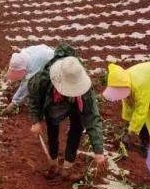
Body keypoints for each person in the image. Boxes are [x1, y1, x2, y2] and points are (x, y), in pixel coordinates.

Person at [28, 44, 107, 180]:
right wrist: (36, 120)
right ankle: (53, 163)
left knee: (77, 127)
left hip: (76, 102)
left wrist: (98, 151)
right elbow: (34, 97)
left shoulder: (81, 83)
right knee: (52, 126)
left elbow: (91, 117)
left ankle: (67, 168)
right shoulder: (44, 78)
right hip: (54, 101)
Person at [102, 61, 150, 157]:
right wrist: (127, 126)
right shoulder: (123, 82)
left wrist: (130, 133)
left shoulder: (139, 86)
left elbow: (141, 112)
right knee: (142, 115)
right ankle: (145, 143)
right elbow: (129, 107)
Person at [4, 44, 54, 114]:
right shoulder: (23, 55)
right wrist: (18, 49)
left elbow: (25, 86)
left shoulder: (33, 66)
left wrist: (13, 103)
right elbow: (26, 52)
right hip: (45, 52)